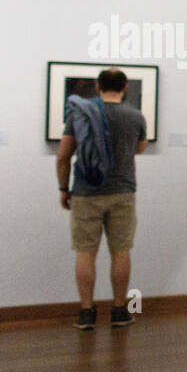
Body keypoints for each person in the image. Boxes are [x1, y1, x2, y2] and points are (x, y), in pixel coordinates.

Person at [55, 68, 148, 329]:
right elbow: (139, 148)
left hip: (86, 193)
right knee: (121, 251)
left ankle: (87, 313)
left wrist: (64, 188)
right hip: (123, 192)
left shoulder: (80, 114)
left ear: (98, 87)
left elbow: (63, 155)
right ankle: (119, 310)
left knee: (85, 253)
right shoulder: (135, 116)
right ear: (125, 87)